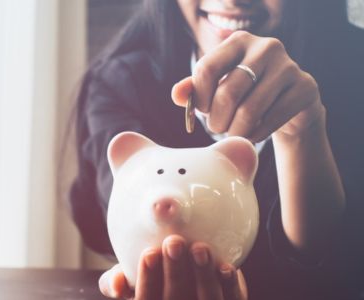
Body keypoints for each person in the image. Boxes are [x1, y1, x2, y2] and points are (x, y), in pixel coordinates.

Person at [69, 0, 364, 299]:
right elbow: (125, 215)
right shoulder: (120, 83)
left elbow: (344, 259)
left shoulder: (356, 71)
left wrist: (302, 133)